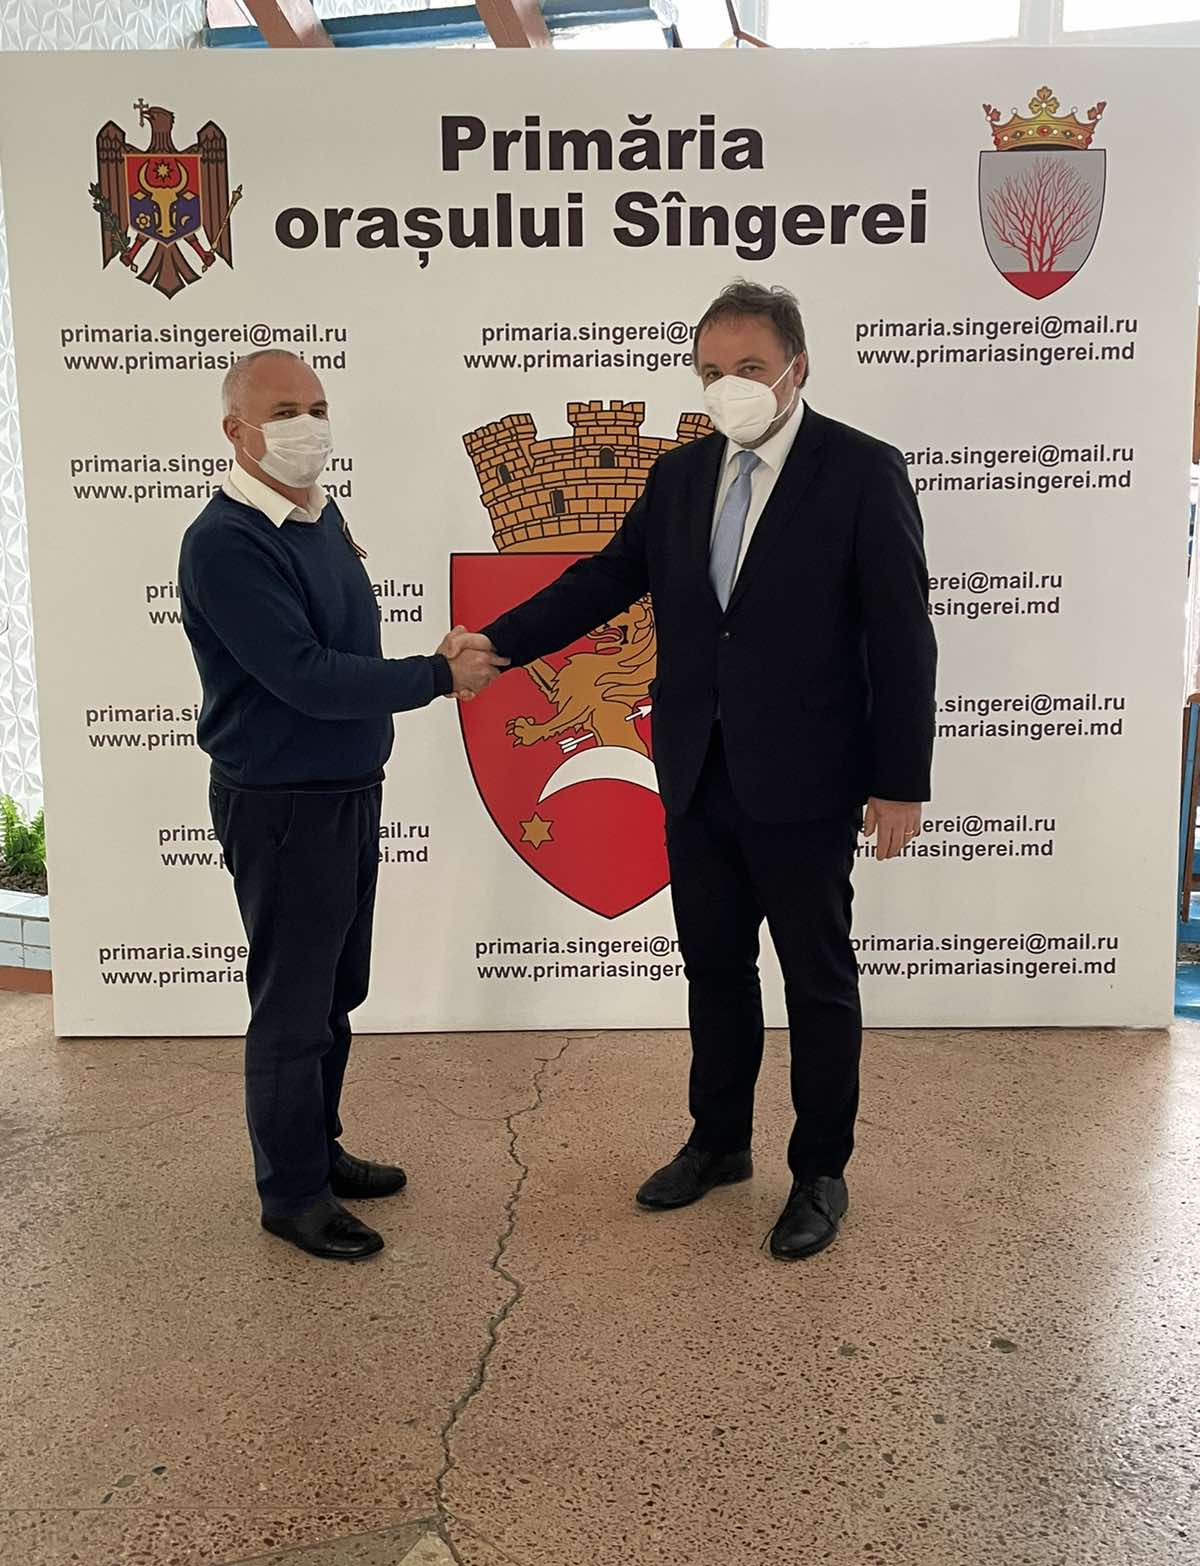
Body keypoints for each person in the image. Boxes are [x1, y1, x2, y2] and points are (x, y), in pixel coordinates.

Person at [448, 281, 937, 1261]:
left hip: (806, 779)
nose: (729, 387)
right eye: (712, 372)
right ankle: (718, 1143)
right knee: (714, 969)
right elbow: (603, 579)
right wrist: (497, 642)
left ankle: (820, 1171)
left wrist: (901, 781)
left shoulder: (860, 470)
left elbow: (902, 634)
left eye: (749, 368)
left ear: (797, 367)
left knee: (817, 981)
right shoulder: (678, 477)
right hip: (695, 769)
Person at [178, 350, 505, 1262]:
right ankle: (291, 1197)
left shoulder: (319, 516)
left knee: (333, 994)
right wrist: (437, 676)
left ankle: (316, 1154)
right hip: (284, 803)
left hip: (347, 790)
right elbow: (306, 678)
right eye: (285, 410)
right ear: (235, 430)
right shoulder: (227, 541)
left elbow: (343, 650)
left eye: (318, 406)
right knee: (293, 1007)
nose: (308, 425)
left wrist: (425, 668)